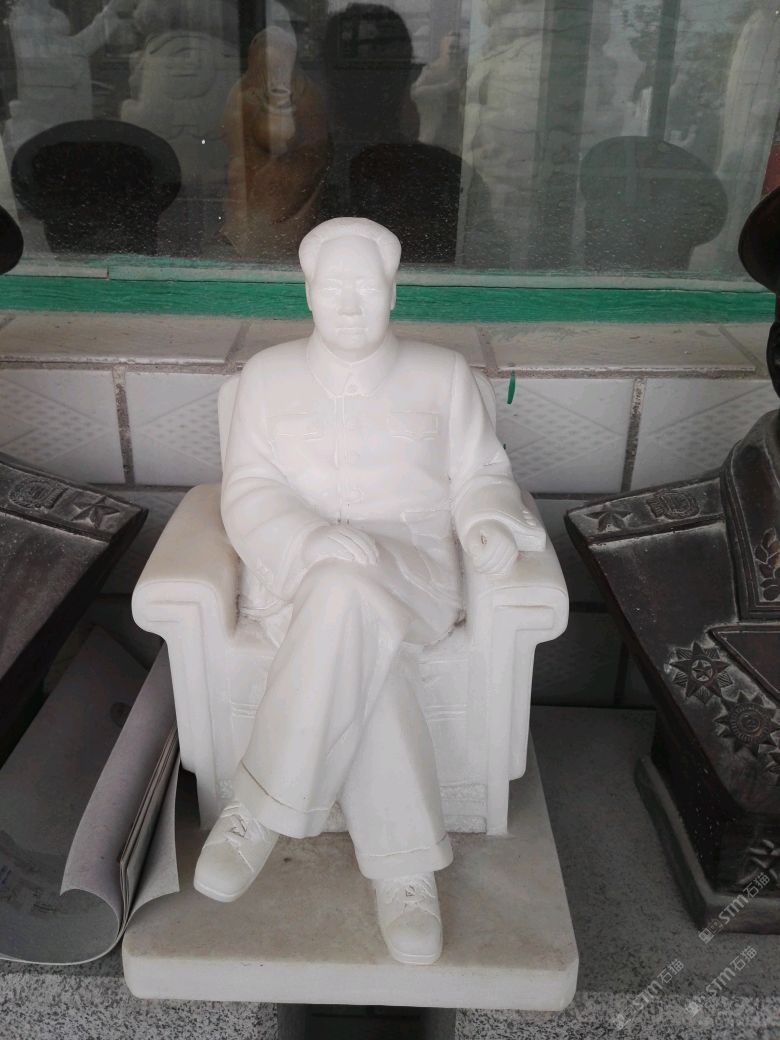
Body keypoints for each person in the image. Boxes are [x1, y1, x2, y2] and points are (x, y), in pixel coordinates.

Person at [193, 216, 542, 964]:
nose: (349, 304)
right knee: (353, 619)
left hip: (413, 574)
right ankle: (403, 868)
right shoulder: (267, 378)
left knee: (353, 596)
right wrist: (308, 539)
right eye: (334, 287)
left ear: (392, 292)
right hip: (297, 577)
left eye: (365, 286)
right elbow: (248, 488)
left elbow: (482, 472)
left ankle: (258, 807)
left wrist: (486, 522)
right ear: (308, 294)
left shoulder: (442, 375)